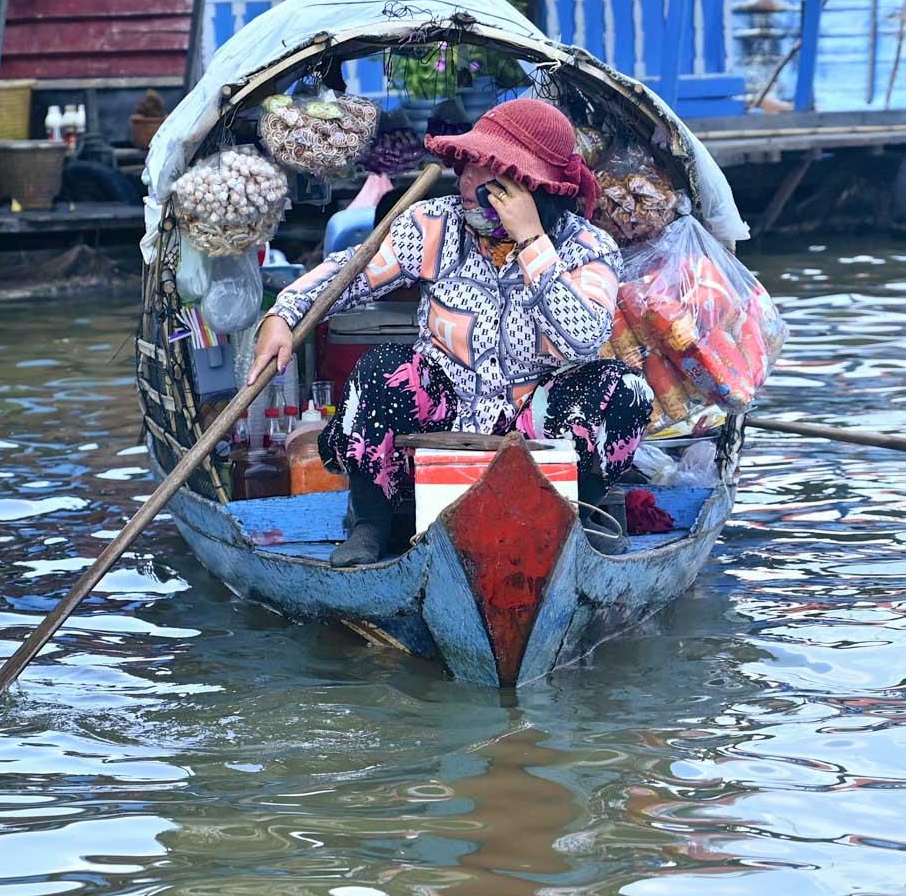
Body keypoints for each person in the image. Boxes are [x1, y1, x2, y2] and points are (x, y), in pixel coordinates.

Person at [249, 98, 653, 566]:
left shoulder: (587, 247)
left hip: (533, 429)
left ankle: (578, 515)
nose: (465, 181)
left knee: (626, 390)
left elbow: (582, 337)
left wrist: (531, 245)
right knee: (382, 370)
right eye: (465, 167)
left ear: (529, 185)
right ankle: (371, 524)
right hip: (442, 421)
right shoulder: (435, 224)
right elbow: (352, 272)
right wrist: (284, 313)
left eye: (486, 171)